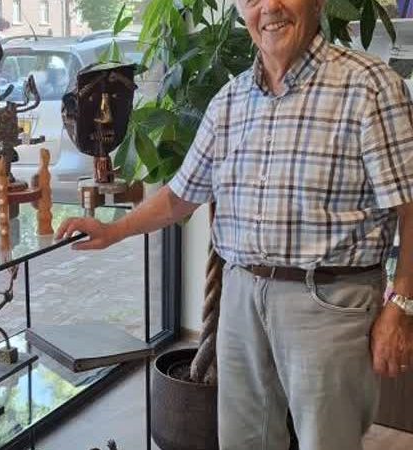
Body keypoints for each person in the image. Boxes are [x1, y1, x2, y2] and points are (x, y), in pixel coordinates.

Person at [56, 1, 413, 449]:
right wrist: (113, 230)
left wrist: (401, 305)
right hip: (240, 295)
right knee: (242, 441)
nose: (270, 8)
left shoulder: (369, 85)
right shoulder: (230, 100)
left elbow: (410, 207)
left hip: (328, 300)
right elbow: (180, 194)